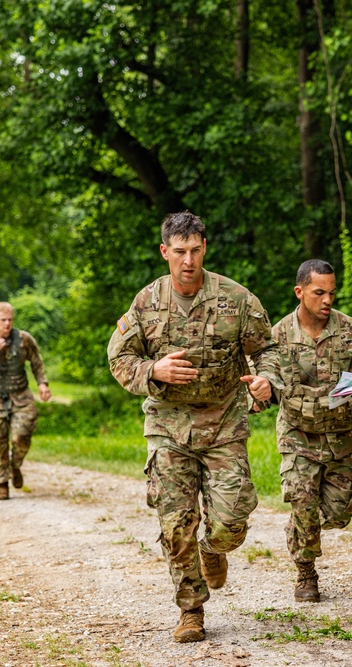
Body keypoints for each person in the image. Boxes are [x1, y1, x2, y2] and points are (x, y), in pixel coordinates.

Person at [107, 211, 276, 643]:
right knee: (175, 524)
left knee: (231, 522)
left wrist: (265, 381)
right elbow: (119, 359)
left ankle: (213, 549)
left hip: (223, 424)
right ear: (165, 252)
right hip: (168, 428)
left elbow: (268, 350)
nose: (188, 260)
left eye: (195, 250)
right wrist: (153, 370)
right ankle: (191, 610)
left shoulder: (237, 300)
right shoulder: (146, 303)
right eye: (179, 252)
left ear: (205, 249)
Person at [261, 259, 352, 603]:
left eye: (331, 293)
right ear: (300, 292)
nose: (327, 300)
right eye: (319, 293)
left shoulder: (349, 328)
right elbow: (265, 376)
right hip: (298, 432)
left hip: (340, 433)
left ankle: (302, 526)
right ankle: (306, 574)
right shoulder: (279, 335)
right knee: (303, 500)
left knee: (346, 506)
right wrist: (260, 391)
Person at [0, 302, 51, 501]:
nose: (7, 324)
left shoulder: (23, 339)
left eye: (10, 320)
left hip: (20, 395)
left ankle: (15, 465)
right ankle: (2, 483)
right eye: (3, 320)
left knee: (22, 436)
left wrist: (42, 384)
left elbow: (37, 362)